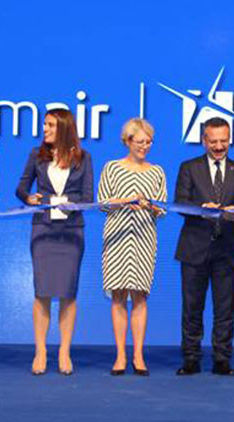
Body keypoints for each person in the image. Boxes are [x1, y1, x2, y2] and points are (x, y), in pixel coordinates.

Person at [173, 117, 234, 376]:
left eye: (224, 141)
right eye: (214, 141)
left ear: (229, 139)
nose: (219, 146)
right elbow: (180, 203)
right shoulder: (189, 167)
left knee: (225, 309)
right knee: (191, 308)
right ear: (203, 140)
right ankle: (191, 359)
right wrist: (201, 209)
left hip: (227, 250)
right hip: (194, 249)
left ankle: (222, 359)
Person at [16, 109, 93, 376]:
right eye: (45, 124)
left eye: (50, 125)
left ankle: (64, 351)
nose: (45, 129)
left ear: (64, 128)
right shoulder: (36, 155)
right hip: (43, 231)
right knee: (42, 292)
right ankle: (40, 351)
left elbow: (87, 197)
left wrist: (67, 203)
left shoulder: (83, 157)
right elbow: (21, 188)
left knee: (68, 294)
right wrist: (28, 198)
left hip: (71, 232)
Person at [97, 118, 167, 376]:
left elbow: (162, 209)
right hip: (116, 237)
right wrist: (126, 200)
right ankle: (120, 355)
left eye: (149, 142)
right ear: (127, 141)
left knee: (139, 296)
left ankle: (138, 355)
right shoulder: (112, 167)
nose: (144, 146)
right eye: (140, 141)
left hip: (144, 238)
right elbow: (102, 202)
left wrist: (150, 206)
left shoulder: (157, 171)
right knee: (118, 296)